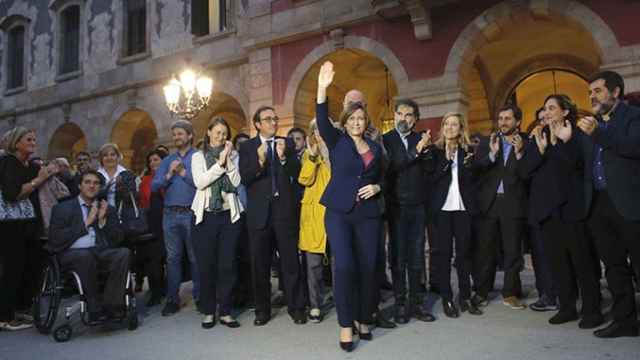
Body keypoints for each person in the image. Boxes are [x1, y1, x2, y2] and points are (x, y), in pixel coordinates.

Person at [316, 62, 384, 351]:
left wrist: (379, 186)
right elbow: (320, 118)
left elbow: (384, 178)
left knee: (368, 268)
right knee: (343, 267)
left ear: (366, 121)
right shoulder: (337, 141)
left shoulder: (376, 147)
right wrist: (322, 87)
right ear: (345, 121)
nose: (357, 122)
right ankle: (346, 325)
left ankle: (363, 317)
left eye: (361, 118)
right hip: (339, 214)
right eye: (352, 118)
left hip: (368, 215)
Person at [522, 94, 603, 329]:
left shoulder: (576, 135)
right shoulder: (538, 137)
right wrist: (540, 149)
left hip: (572, 210)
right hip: (547, 212)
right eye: (545, 109)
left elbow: (577, 167)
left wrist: (563, 143)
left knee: (583, 263)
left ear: (565, 112)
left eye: (551, 108)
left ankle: (592, 311)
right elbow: (524, 172)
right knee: (558, 264)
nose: (546, 113)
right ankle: (567, 308)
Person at [574, 71, 640, 338]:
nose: (592, 96)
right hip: (599, 205)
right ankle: (625, 321)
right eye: (590, 92)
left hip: (629, 202)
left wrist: (599, 134)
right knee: (613, 267)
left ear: (615, 92)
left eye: (598, 91)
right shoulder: (593, 125)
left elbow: (633, 147)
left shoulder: (633, 117)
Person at [238, 105, 306, 326]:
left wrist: (284, 159)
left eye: (275, 119)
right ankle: (262, 310)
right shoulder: (248, 147)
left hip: (284, 212)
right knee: (260, 265)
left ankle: (296, 308)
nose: (273, 123)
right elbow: (245, 178)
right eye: (268, 119)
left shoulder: (285, 143)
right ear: (257, 124)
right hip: (259, 215)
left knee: (290, 263)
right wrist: (259, 161)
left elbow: (298, 172)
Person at [47, 170, 129, 322]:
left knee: (123, 253)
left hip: (98, 251)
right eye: (87, 182)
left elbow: (118, 239)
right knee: (85, 256)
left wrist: (103, 221)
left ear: (100, 188)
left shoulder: (107, 209)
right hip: (71, 254)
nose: (92, 186)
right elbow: (55, 239)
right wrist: (87, 222)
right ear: (79, 186)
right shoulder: (62, 208)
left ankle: (112, 305)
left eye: (96, 183)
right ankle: (94, 308)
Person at [382, 98, 436, 324]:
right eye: (400, 114)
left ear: (415, 119)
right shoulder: (386, 140)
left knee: (416, 258)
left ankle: (416, 303)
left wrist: (427, 150)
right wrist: (417, 151)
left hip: (417, 206)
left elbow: (430, 169)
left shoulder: (420, 139)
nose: (404, 119)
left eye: (409, 115)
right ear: (394, 115)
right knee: (398, 258)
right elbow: (393, 167)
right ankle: (400, 304)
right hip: (396, 207)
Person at [425, 113, 482, 318]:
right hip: (442, 210)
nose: (450, 127)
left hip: (463, 209)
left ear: (461, 128)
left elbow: (474, 181)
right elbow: (430, 179)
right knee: (443, 255)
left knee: (464, 254)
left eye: (454, 124)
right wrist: (447, 163)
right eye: (446, 124)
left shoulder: (468, 150)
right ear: (442, 127)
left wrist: (469, 165)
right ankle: (447, 298)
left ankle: (465, 297)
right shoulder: (434, 150)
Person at [472, 104, 528, 310]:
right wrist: (492, 155)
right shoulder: (488, 142)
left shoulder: (526, 142)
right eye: (501, 118)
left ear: (517, 122)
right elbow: (476, 169)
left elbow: (528, 173)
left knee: (513, 250)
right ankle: (482, 291)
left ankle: (511, 292)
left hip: (513, 203)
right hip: (489, 203)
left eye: (508, 118)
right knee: (485, 250)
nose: (503, 122)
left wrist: (520, 153)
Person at [0, 127, 56, 331]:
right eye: (28, 139)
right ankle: (4, 316)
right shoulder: (8, 162)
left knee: (31, 267)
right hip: (9, 225)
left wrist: (49, 172)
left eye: (34, 138)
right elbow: (12, 193)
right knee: (12, 269)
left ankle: (20, 308)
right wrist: (39, 179)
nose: (33, 142)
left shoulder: (30, 164)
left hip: (29, 224)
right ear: (16, 143)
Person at [191, 117, 244, 329]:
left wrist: (228, 160)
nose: (221, 137)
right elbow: (201, 182)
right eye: (217, 132)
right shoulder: (198, 156)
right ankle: (208, 311)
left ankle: (226, 311)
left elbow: (237, 182)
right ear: (209, 131)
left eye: (224, 134)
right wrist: (220, 164)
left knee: (227, 265)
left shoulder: (234, 155)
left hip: (228, 216)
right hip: (205, 217)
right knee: (206, 266)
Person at [152, 120, 200, 316]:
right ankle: (172, 299)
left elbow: (201, 183)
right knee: (172, 258)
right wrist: (170, 174)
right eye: (174, 134)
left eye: (180, 133)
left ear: (189, 135)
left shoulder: (198, 157)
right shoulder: (166, 161)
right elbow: (154, 187)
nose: (176, 137)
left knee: (195, 257)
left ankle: (200, 297)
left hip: (191, 212)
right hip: (170, 215)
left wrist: (183, 172)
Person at [298, 119, 331, 323]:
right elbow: (305, 179)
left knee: (339, 263)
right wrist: (313, 156)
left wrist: (327, 156)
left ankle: (344, 301)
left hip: (335, 213)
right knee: (313, 265)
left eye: (324, 130)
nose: (320, 134)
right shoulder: (308, 154)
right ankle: (315, 305)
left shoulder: (338, 151)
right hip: (314, 215)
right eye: (316, 131)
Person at [526, 107, 558, 312]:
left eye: (547, 116)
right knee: (540, 254)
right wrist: (539, 150)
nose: (543, 121)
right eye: (539, 119)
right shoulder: (532, 142)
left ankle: (567, 293)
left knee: (562, 254)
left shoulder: (566, 137)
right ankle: (547, 294)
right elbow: (523, 171)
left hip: (562, 206)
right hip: (538, 207)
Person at [137, 149, 167, 307]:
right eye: (150, 161)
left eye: (156, 159)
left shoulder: (171, 176)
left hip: (168, 219)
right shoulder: (145, 181)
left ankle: (167, 289)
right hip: (152, 222)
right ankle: (156, 291)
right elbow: (143, 203)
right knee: (154, 258)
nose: (153, 163)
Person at [231, 133, 252, 308]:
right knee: (233, 257)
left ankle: (250, 294)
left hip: (248, 214)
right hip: (231, 213)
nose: (243, 146)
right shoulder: (232, 160)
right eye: (240, 144)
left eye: (246, 143)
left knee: (248, 257)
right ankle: (237, 295)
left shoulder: (252, 160)